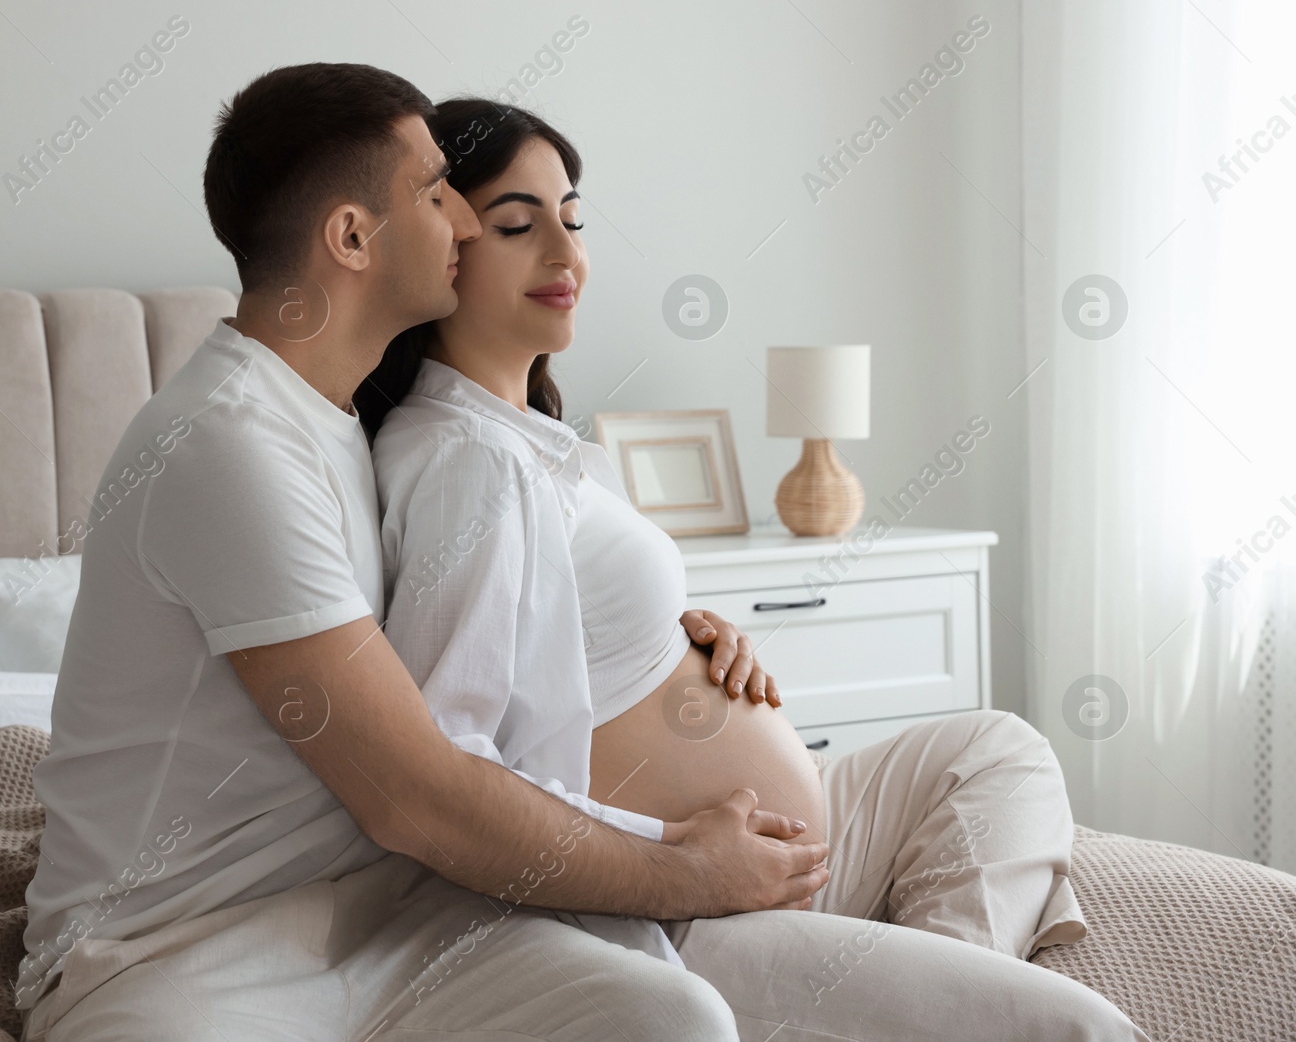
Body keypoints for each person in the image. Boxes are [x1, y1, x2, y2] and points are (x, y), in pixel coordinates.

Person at [15, 64, 834, 1042]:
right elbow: (419, 796)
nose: (461, 219)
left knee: (673, 1017)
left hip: (378, 915)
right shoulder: (226, 444)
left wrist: (675, 634)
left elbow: (492, 622)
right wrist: (688, 865)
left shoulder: (346, 425)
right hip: (177, 948)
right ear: (352, 237)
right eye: (434, 188)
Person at [361, 98, 1154, 1042]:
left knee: (999, 749)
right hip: (668, 910)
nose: (567, 256)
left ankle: (936, 986)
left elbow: (558, 646)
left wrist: (677, 633)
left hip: (767, 864)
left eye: (572, 219)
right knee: (1084, 1029)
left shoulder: (533, 441)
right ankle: (937, 993)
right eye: (518, 225)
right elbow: (454, 770)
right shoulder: (466, 462)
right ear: (443, 244)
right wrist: (684, 860)